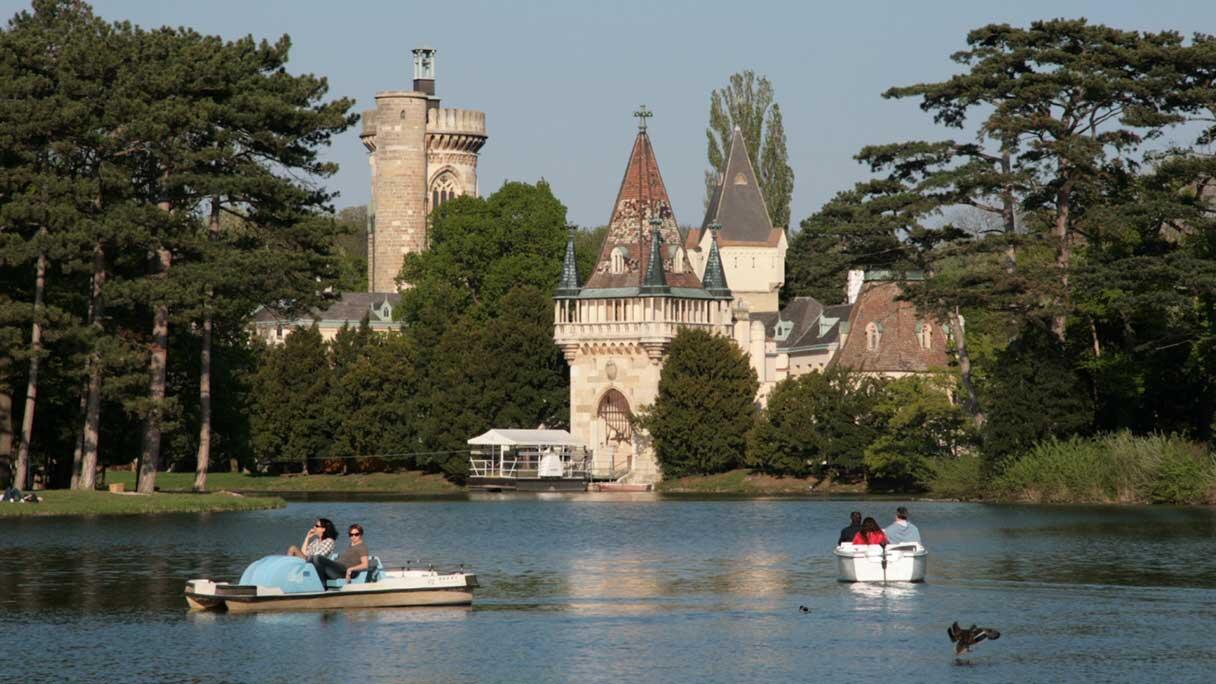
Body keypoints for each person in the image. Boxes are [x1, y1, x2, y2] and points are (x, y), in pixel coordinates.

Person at [311, 524, 371, 589]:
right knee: (312, 559)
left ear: (361, 534)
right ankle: (314, 584)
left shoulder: (362, 547)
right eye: (351, 535)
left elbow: (365, 565)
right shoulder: (351, 545)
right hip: (337, 569)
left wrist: (350, 569)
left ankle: (322, 586)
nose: (353, 537)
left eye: (356, 534)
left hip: (342, 571)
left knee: (317, 557)